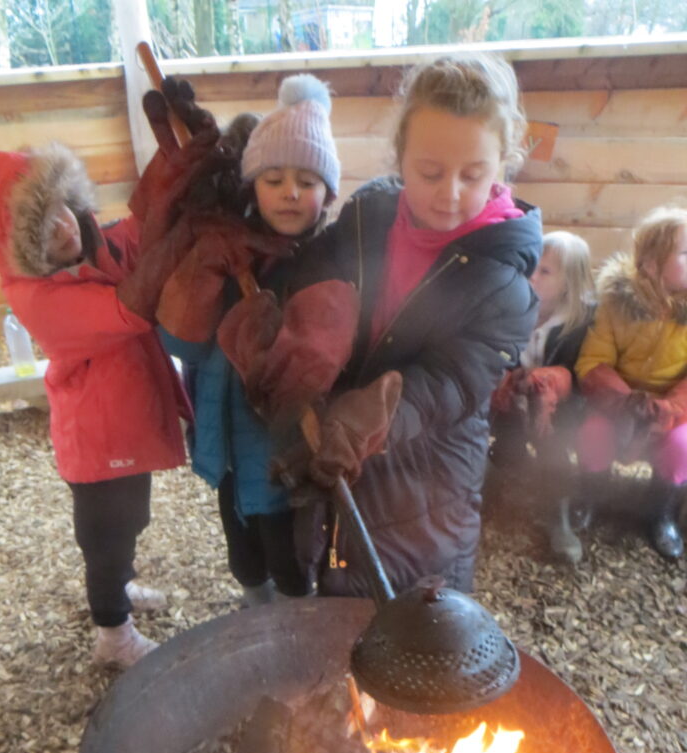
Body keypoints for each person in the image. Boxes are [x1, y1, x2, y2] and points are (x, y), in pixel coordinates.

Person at [219, 53, 543, 598]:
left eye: (473, 175)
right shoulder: (368, 215)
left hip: (426, 487)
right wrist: (292, 323)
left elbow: (452, 382)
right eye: (430, 172)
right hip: (340, 457)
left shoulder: (503, 282)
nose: (450, 192)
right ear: (400, 156)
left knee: (417, 623)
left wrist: (377, 415)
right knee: (339, 599)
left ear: (502, 166)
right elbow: (316, 267)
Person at [0, 141, 193, 667]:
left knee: (131, 519)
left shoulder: (90, 246)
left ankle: (120, 588)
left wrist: (174, 170)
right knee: (105, 537)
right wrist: (179, 239)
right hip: (98, 439)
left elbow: (139, 230)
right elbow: (130, 311)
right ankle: (113, 634)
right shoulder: (36, 297)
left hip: (124, 424)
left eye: (61, 207)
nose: (63, 227)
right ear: (18, 250)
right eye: (41, 230)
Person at [156, 74, 358, 605]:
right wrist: (205, 272)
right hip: (225, 439)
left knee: (291, 560)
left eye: (307, 181)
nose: (290, 192)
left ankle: (295, 627)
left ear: (327, 193)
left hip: (282, 451)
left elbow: (321, 363)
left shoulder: (325, 266)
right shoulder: (229, 253)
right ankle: (258, 614)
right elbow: (183, 345)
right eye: (273, 178)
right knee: (243, 558)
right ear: (252, 186)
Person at [574, 204, 687, 560]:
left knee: (681, 446)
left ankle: (661, 513)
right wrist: (627, 404)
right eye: (685, 253)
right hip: (619, 401)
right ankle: (592, 494)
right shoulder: (617, 305)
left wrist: (669, 408)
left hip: (673, 406)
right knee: (593, 433)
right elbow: (594, 360)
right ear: (651, 265)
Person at [489, 231, 596, 563]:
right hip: (512, 398)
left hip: (555, 408)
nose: (532, 275)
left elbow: (579, 375)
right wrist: (507, 381)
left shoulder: (580, 324)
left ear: (568, 284)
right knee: (505, 446)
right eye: (532, 265)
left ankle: (558, 515)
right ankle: (497, 486)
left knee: (554, 454)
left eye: (545, 271)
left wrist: (546, 387)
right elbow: (496, 351)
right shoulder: (512, 307)